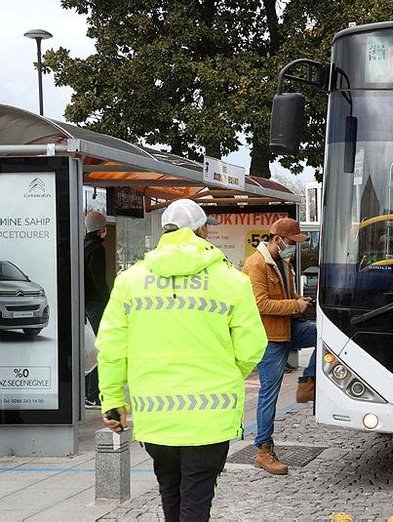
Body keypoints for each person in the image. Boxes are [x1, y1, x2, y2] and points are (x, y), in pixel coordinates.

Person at [97, 198, 266, 521]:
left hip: (156, 419)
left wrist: (113, 400)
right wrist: (227, 370)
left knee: (169, 493)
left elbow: (111, 347)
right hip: (210, 419)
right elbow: (251, 348)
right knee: (197, 501)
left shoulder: (130, 281)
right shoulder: (232, 281)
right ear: (201, 230)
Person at [242, 217, 317, 475]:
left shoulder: (283, 263)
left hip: (288, 329)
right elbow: (259, 304)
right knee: (268, 395)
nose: (294, 247)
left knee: (326, 335)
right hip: (270, 338)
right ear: (278, 240)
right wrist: (293, 306)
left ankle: (308, 382)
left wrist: (299, 300)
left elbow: (287, 296)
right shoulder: (256, 264)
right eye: (292, 242)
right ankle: (263, 449)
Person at [83, 211, 110, 408]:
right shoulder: (97, 249)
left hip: (82, 305)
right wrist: (111, 303)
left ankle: (85, 392)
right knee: (101, 348)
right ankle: (93, 394)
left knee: (89, 348)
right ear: (102, 228)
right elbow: (99, 281)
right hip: (96, 305)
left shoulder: (81, 246)